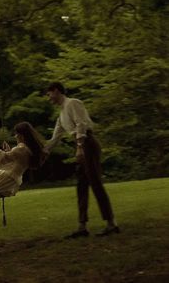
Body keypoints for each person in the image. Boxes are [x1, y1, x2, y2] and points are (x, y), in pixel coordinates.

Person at [45, 82, 119, 238]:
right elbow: (54, 139)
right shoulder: (61, 114)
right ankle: (82, 226)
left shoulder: (73, 103)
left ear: (56, 91)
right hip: (81, 145)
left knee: (95, 183)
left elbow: (81, 124)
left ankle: (111, 224)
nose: (48, 98)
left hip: (88, 144)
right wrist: (41, 151)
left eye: (49, 94)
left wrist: (79, 146)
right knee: (81, 185)